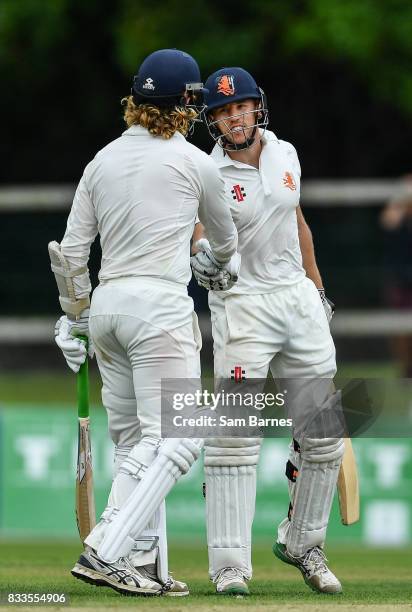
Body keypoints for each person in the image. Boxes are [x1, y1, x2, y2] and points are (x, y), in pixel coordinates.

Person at [50, 49, 239, 597]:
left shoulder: (100, 160)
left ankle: (145, 561)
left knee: (136, 440)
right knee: (180, 437)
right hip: (160, 309)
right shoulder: (195, 162)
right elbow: (225, 244)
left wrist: (75, 320)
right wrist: (216, 263)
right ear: (184, 104)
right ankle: (106, 549)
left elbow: (70, 253)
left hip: (108, 308)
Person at [191, 67, 343, 595]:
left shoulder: (286, 153)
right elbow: (195, 236)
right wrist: (200, 259)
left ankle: (304, 545)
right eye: (223, 112)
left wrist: (317, 291)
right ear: (213, 120)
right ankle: (230, 565)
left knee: (325, 433)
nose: (234, 117)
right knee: (234, 437)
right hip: (243, 303)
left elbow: (299, 225)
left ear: (257, 108)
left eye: (242, 107)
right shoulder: (207, 173)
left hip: (294, 297)